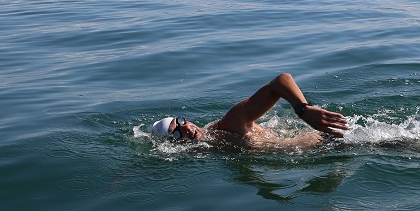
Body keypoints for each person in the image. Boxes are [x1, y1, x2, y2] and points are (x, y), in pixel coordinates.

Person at [149, 72, 349, 150]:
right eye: (176, 133)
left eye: (181, 122)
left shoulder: (229, 123)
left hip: (333, 142)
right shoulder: (215, 144)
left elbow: (280, 82)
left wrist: (304, 111)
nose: (185, 129)